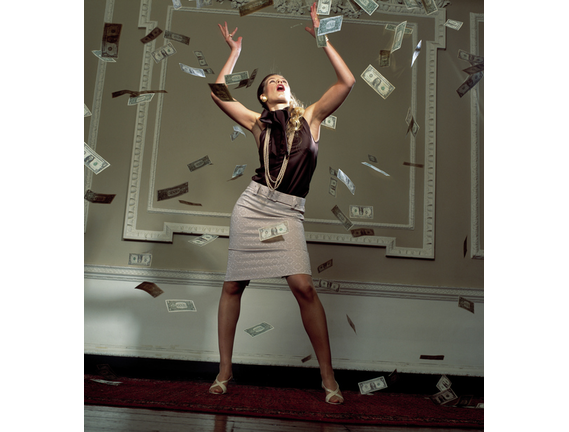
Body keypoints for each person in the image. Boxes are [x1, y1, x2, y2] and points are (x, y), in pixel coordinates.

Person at [209, 2, 355, 405]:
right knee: (234, 284)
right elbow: (218, 94)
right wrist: (234, 55)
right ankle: (224, 370)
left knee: (304, 287)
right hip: (253, 207)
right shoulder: (257, 125)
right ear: (262, 94)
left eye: (283, 79)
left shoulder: (311, 117)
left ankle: (328, 377)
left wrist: (323, 39)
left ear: (289, 92)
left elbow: (347, 82)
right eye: (272, 80)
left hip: (288, 212)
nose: (279, 81)